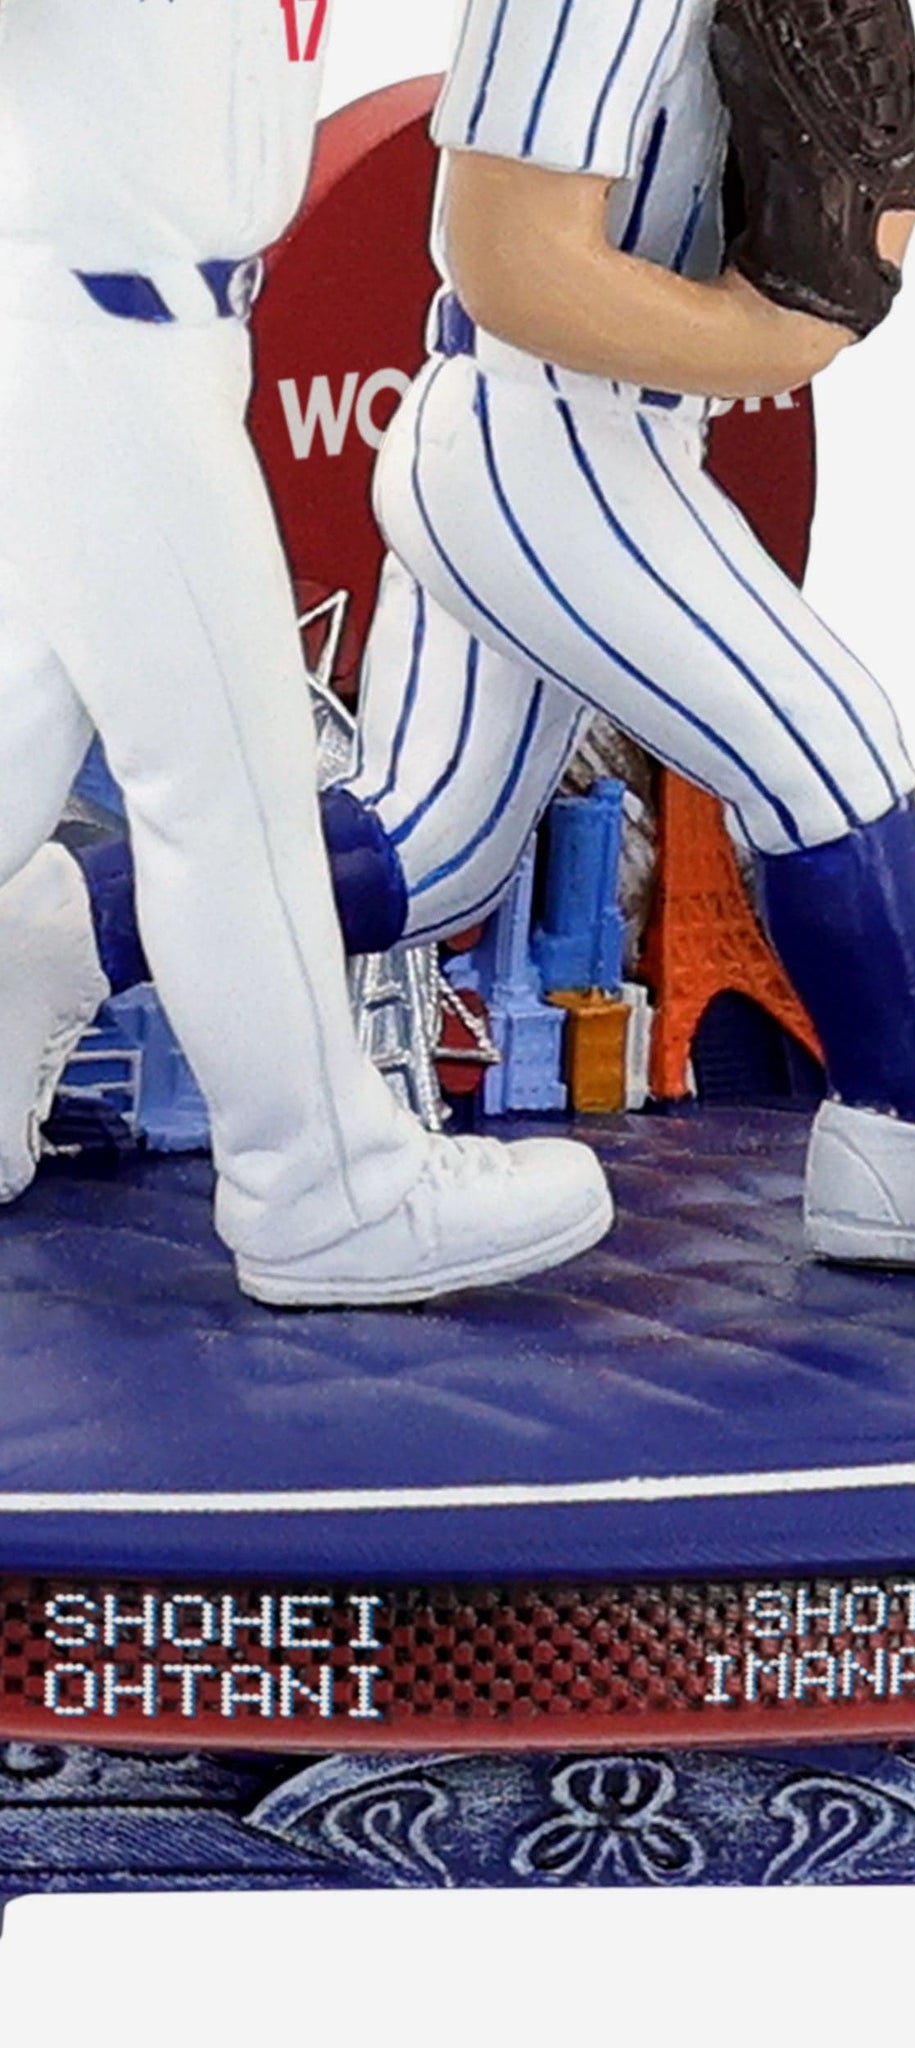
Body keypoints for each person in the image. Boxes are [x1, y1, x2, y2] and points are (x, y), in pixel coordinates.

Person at [2, 0, 915, 1275]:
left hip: (464, 404)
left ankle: (48, 946)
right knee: (823, 747)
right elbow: (511, 256)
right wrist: (777, 337)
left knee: (426, 846)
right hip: (541, 441)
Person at [0, 0, 611, 1307]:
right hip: (95, 340)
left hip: (160, 332)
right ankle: (324, 1187)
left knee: (18, 749)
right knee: (230, 785)